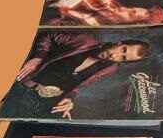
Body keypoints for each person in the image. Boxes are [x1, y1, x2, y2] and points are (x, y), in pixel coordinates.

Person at [15, 32, 151, 119]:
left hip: (43, 102)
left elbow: (79, 85)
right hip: (22, 83)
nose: (115, 55)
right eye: (123, 50)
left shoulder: (110, 69)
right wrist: (38, 57)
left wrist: (69, 98)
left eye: (123, 57)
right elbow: (49, 35)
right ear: (119, 43)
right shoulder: (85, 41)